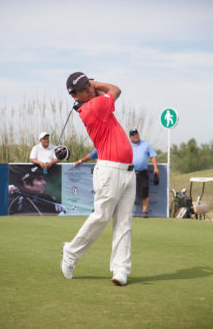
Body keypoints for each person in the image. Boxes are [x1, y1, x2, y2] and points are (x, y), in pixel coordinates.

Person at [61, 72, 136, 286]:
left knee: (124, 223)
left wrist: (90, 86)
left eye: (88, 85)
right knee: (102, 217)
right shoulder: (92, 108)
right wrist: (95, 82)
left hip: (128, 172)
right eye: (84, 89)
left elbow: (105, 93)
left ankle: (120, 269)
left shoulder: (94, 103)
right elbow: (115, 90)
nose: (90, 90)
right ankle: (70, 253)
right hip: (110, 170)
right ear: (75, 96)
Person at [129, 128, 160, 218]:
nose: (135, 136)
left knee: (144, 191)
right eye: (133, 135)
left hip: (143, 172)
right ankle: (126, 211)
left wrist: (155, 168)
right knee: (127, 192)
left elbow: (153, 155)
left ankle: (144, 211)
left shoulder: (146, 145)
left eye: (136, 134)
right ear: (130, 137)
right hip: (130, 172)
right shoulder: (127, 145)